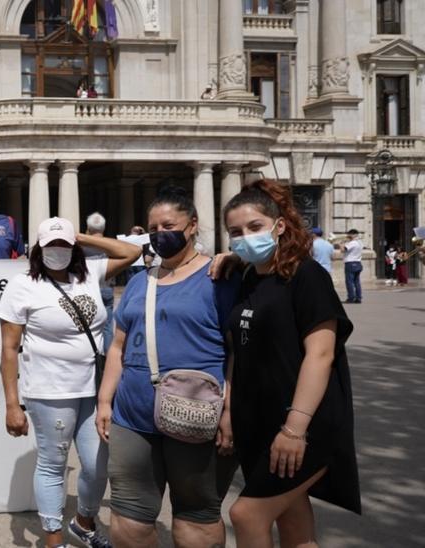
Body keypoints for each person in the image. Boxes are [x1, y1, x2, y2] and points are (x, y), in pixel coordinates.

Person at [95, 187, 237, 548]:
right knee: (128, 515)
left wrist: (230, 410)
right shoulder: (141, 280)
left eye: (168, 225)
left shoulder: (219, 277)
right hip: (133, 415)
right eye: (153, 227)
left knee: (196, 513)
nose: (160, 234)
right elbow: (118, 347)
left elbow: (239, 351)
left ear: (192, 226)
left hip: (197, 413)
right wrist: (105, 401)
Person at [221, 180, 361, 547]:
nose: (244, 238)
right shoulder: (248, 276)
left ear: (279, 226)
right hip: (259, 420)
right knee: (294, 520)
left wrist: (294, 429)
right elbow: (240, 349)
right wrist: (228, 409)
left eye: (254, 227)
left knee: (246, 515)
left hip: (303, 421)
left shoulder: (306, 275)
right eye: (235, 233)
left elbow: (321, 353)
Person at [0, 217, 141, 548]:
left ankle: (84, 523)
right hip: (49, 391)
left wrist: (77, 236)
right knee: (53, 463)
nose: (58, 251)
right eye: (51, 246)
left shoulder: (89, 273)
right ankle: (53, 538)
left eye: (64, 246)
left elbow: (132, 252)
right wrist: (11, 404)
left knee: (96, 466)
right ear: (38, 249)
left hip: (94, 389)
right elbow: (8, 348)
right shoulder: (23, 286)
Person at [83, 212, 116, 350]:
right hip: (107, 288)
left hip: (89, 288)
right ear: (104, 227)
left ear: (88, 228)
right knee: (107, 327)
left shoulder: (82, 247)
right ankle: (108, 357)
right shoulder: (113, 245)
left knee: (88, 325)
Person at [341, 229, 363, 303]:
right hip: (358, 263)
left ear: (353, 234)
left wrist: (342, 243)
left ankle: (351, 298)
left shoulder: (352, 243)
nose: (348, 236)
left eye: (349, 234)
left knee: (349, 282)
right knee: (357, 282)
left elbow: (343, 250)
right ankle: (358, 298)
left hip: (350, 263)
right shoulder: (360, 242)